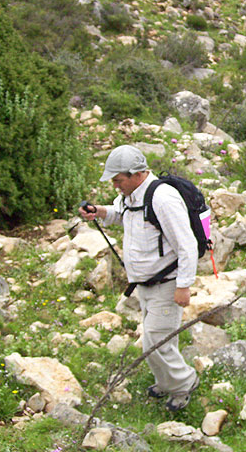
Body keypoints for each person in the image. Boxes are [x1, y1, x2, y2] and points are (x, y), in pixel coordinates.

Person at [79, 145, 199, 412]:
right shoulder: (131, 195)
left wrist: (183, 286)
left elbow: (187, 245)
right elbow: (120, 214)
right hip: (145, 284)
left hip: (166, 283)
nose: (115, 185)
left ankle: (184, 384)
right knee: (157, 337)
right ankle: (165, 381)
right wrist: (99, 211)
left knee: (155, 339)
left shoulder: (163, 199)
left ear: (136, 174)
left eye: (118, 179)